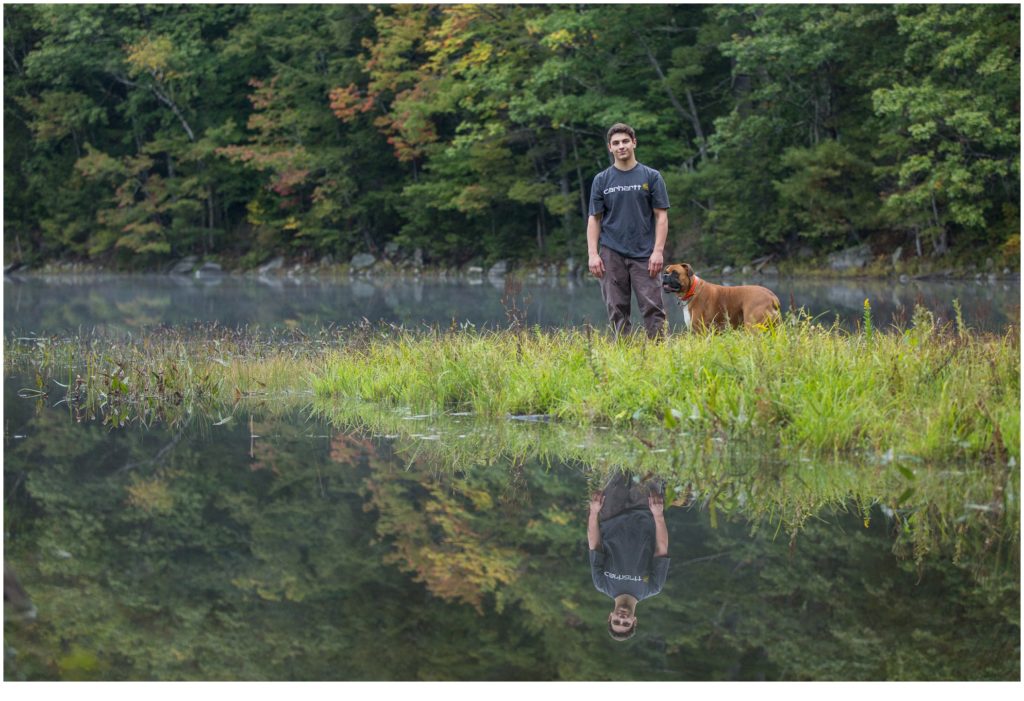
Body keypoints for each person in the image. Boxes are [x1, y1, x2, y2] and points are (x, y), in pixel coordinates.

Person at [586, 123, 671, 339]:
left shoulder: (651, 177)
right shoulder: (601, 180)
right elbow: (594, 219)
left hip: (645, 253)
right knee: (617, 309)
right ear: (609, 148)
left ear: (634, 143)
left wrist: (658, 251)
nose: (621, 146)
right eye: (616, 143)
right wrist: (593, 254)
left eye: (625, 141)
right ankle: (623, 357)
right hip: (611, 252)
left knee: (653, 309)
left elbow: (661, 216)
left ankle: (659, 356)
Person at [588, 471, 670, 641]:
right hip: (646, 512)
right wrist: (658, 515)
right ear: (635, 621)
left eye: (616, 621)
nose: (622, 618)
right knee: (649, 464)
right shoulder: (652, 588)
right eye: (626, 623)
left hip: (610, 514)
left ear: (610, 617)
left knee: (616, 462)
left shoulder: (602, 584)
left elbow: (594, 545)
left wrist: (594, 512)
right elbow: (661, 549)